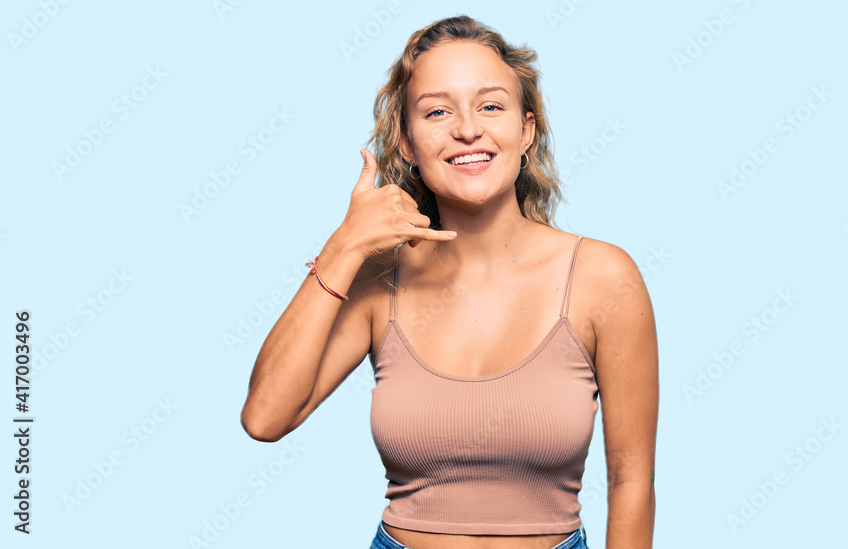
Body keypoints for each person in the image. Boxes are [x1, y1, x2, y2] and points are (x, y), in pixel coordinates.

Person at [240, 14, 658, 549]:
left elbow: (632, 481)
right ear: (409, 144)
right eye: (437, 111)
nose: (467, 128)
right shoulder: (378, 280)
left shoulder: (603, 277)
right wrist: (344, 245)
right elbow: (265, 417)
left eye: (490, 105)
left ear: (526, 130)